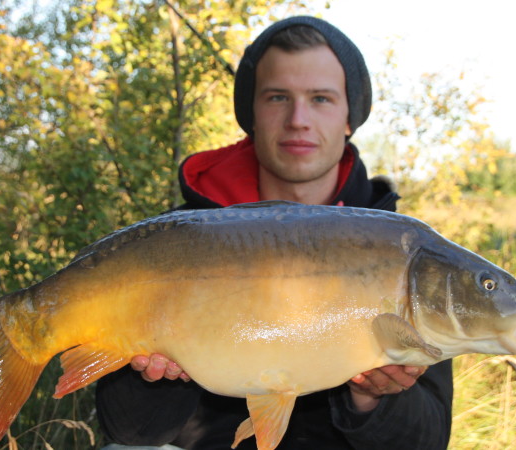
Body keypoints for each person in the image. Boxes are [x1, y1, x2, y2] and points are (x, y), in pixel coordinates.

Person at [95, 16, 453, 449]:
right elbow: (126, 432)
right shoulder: (176, 240)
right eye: (277, 97)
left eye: (320, 98)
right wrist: (155, 375)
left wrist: (370, 397)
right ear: (252, 115)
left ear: (349, 118)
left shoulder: (401, 250)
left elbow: (430, 440)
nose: (298, 119)